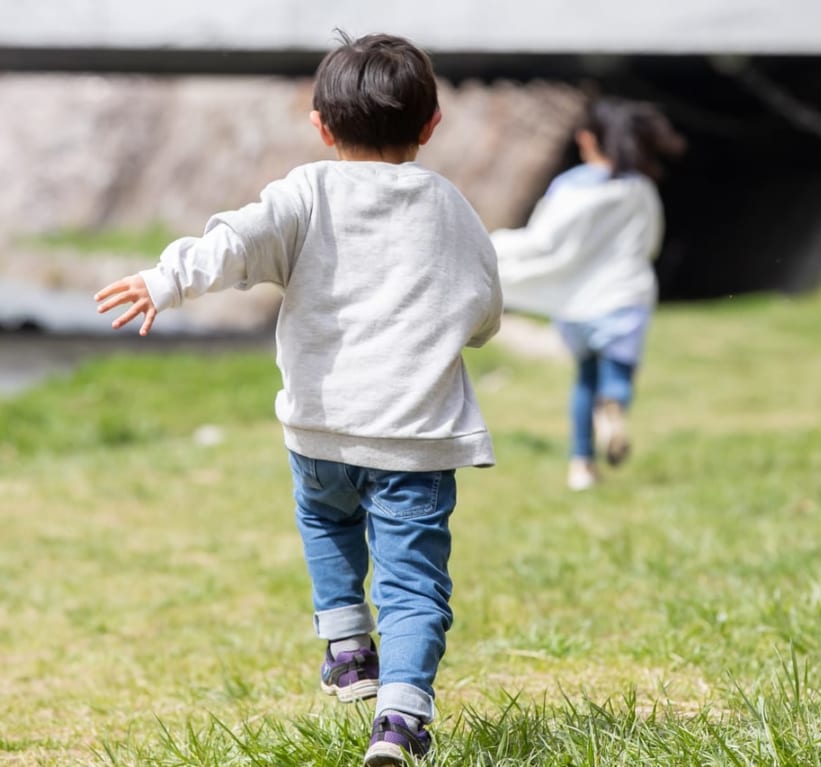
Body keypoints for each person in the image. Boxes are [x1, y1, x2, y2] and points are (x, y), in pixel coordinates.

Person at [94, 31, 502, 767]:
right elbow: (481, 303)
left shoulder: (306, 192)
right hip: (413, 437)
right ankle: (400, 724)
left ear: (320, 123)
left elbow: (237, 241)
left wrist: (167, 279)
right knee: (413, 586)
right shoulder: (449, 206)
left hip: (319, 430)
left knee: (324, 520)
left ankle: (347, 645)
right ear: (432, 125)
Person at [490, 98, 684, 491]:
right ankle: (611, 408)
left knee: (584, 379)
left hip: (577, 303)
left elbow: (543, 239)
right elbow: (651, 242)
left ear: (587, 138)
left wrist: (494, 246)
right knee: (617, 376)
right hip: (624, 296)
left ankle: (581, 466)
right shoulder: (640, 188)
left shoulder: (571, 187)